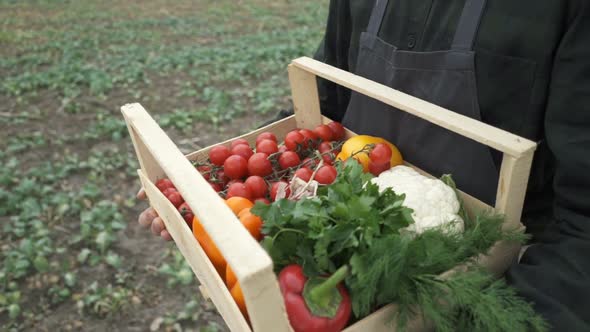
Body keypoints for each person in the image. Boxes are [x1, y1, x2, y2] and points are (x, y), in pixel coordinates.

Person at [138, 0, 590, 330]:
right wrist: (206, 191)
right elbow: (325, 103)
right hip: (336, 255)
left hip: (484, 289)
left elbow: (582, 225)